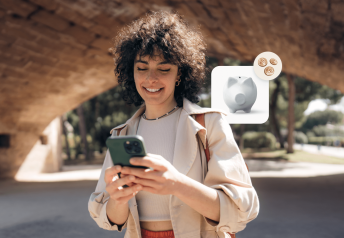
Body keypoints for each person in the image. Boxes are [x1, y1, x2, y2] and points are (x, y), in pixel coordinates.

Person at [88, 11, 259, 238]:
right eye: (141, 68)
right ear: (131, 71)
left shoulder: (211, 124)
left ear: (180, 74)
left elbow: (242, 211)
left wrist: (177, 184)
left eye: (164, 69)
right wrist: (119, 200)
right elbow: (110, 221)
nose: (151, 79)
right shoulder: (122, 134)